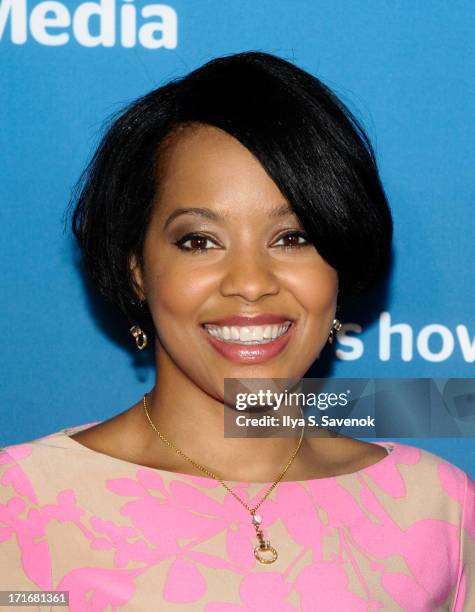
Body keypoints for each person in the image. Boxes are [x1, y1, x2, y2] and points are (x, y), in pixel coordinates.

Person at [0, 50, 473, 611]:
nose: (250, 282)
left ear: (339, 263)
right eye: (199, 241)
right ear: (137, 270)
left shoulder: (435, 508)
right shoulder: (22, 502)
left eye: (293, 237)